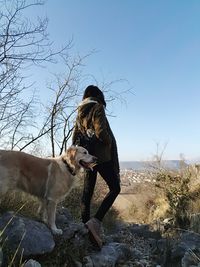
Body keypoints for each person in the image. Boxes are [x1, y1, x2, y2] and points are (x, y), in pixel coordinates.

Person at [72, 85, 121, 248]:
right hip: (102, 157)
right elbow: (101, 132)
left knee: (87, 193)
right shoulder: (97, 107)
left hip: (88, 158)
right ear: (97, 95)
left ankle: (85, 228)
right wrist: (108, 143)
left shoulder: (80, 111)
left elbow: (75, 138)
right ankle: (95, 222)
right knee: (115, 188)